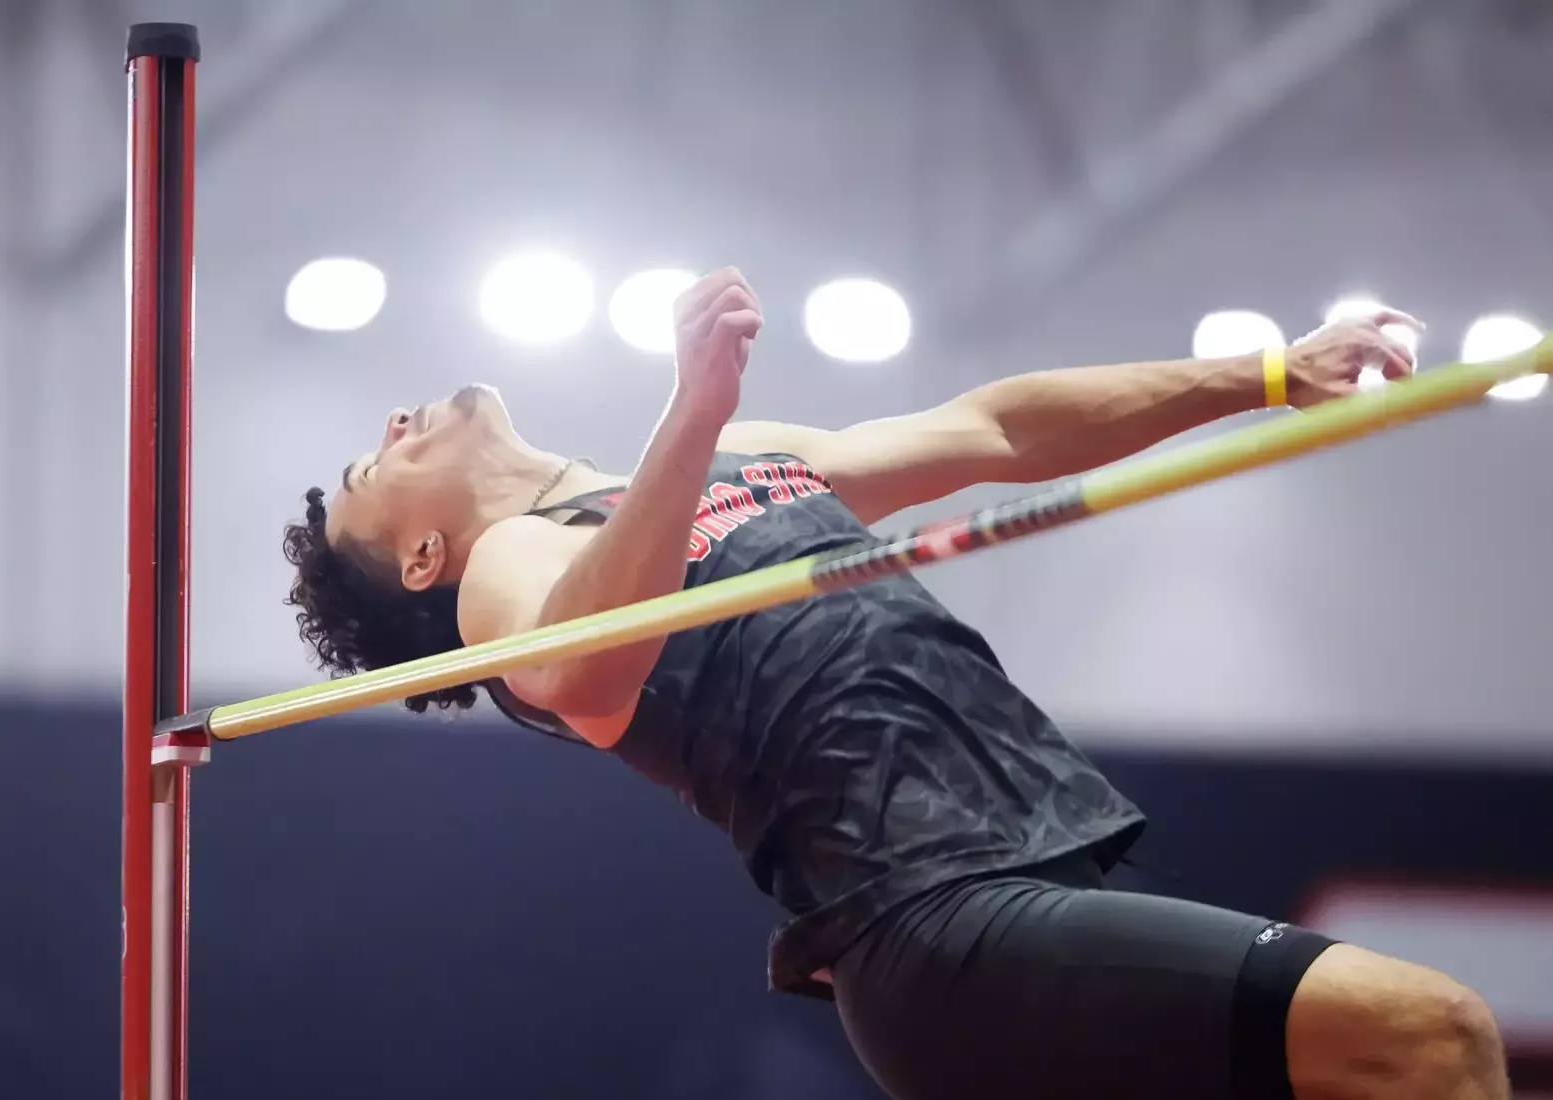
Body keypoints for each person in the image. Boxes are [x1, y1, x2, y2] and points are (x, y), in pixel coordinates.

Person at [282, 268, 1506, 1100]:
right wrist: (692, 408)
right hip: (929, 924)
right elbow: (585, 665)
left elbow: (996, 432)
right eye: (366, 461)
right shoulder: (507, 570)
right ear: (423, 558)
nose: (393, 419)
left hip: (1012, 882)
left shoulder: (735, 465)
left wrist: (1268, 376)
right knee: (1430, 1035)